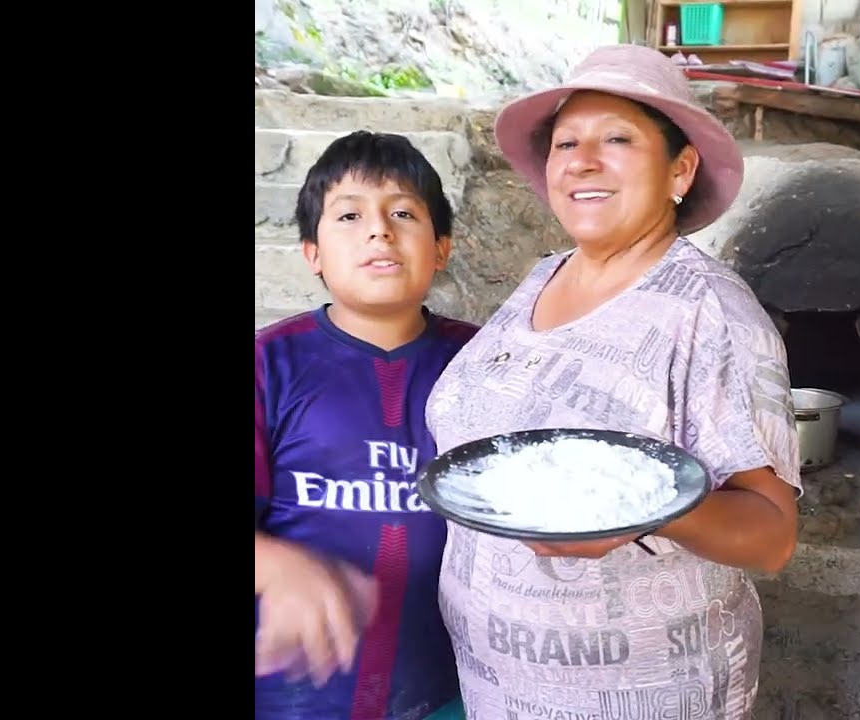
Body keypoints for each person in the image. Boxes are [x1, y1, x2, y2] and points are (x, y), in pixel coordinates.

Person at [425, 44, 801, 719]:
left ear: (680, 169)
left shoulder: (709, 311)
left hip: (644, 693)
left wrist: (643, 515)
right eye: (566, 143)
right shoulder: (544, 274)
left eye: (617, 139)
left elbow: (773, 535)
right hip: (498, 686)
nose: (582, 160)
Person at [255, 130, 477, 720]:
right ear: (312, 254)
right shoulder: (268, 366)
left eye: (403, 212)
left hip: (450, 689)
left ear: (441, 249)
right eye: (350, 215)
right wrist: (277, 565)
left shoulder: (485, 365)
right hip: (294, 693)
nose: (379, 230)